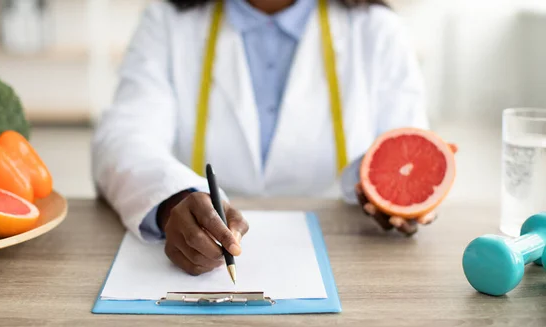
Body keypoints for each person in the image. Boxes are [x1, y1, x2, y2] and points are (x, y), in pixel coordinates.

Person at [91, 0, 438, 276]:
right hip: (202, 253)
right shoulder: (166, 23)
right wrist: (172, 199)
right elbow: (123, 137)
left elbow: (408, 148)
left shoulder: (377, 28)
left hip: (348, 257)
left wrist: (393, 198)